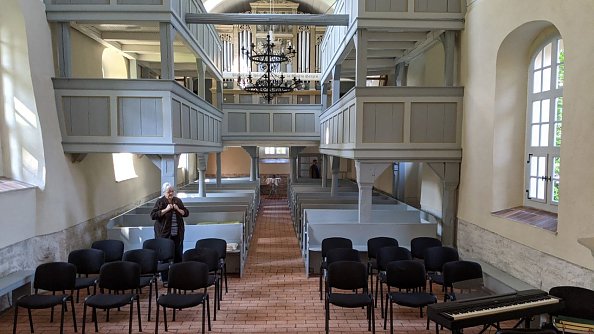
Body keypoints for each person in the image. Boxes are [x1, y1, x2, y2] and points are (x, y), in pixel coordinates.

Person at [150, 182, 189, 266]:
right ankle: (165, 277)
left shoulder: (177, 201)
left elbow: (186, 213)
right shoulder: (160, 202)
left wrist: (178, 209)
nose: (171, 193)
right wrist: (166, 210)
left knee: (178, 254)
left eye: (172, 191)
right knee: (166, 255)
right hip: (164, 234)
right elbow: (153, 215)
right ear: (164, 192)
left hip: (177, 234)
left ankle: (177, 273)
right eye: (169, 192)